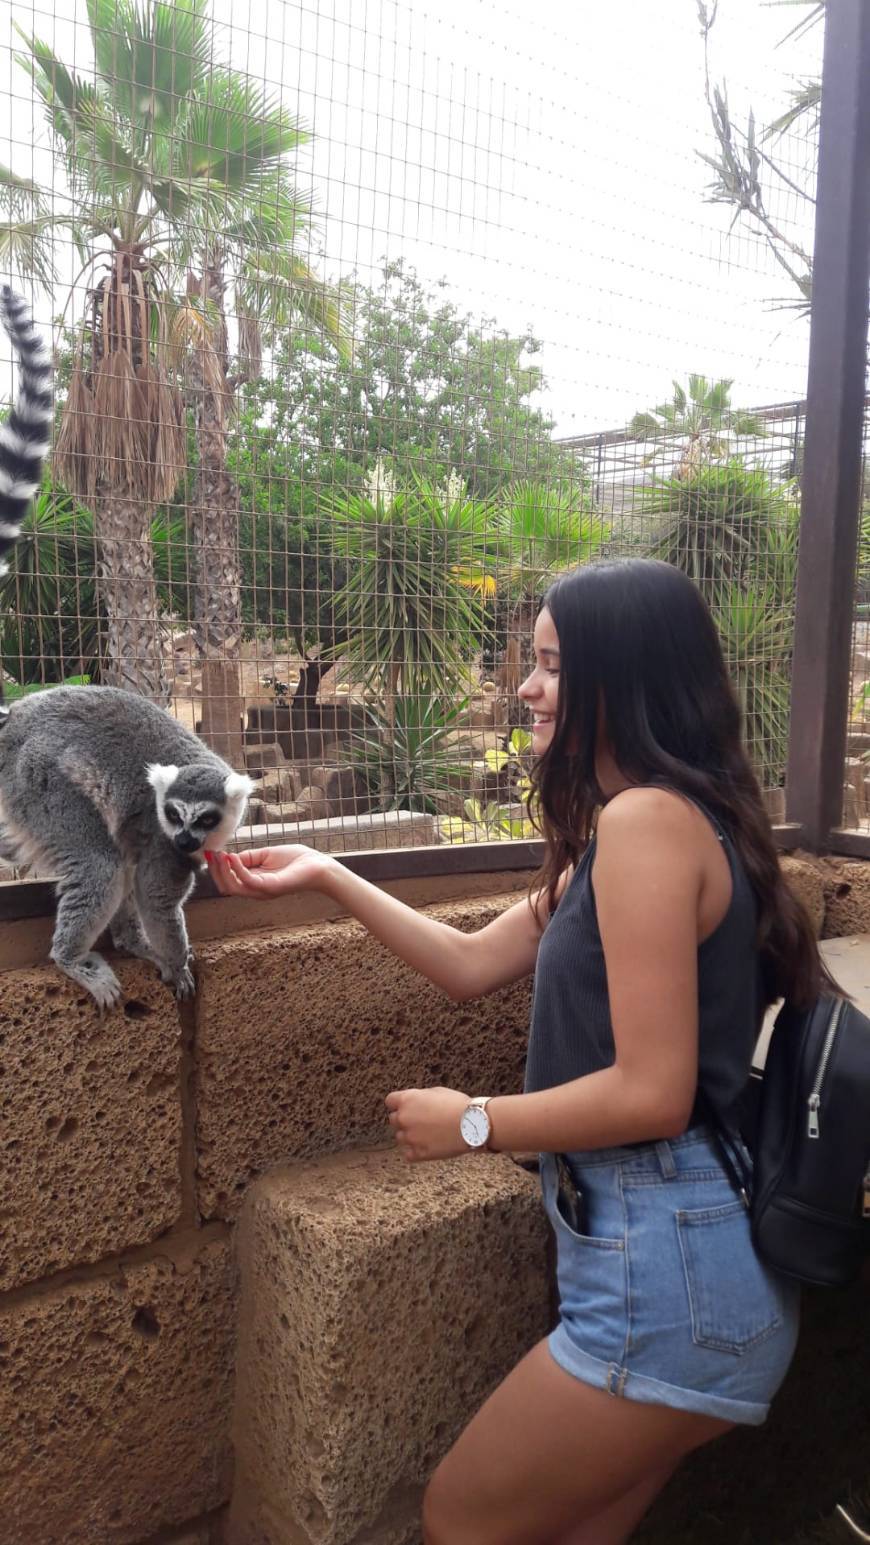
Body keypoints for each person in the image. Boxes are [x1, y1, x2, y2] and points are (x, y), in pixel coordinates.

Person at [208, 558, 827, 1545]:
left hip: (663, 1281)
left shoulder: (648, 827)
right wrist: (329, 872)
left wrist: (473, 1122)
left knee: (460, 1516)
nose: (525, 689)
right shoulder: (631, 833)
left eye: (549, 667)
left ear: (620, 681)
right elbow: (465, 963)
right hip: (679, 1275)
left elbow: (654, 1092)